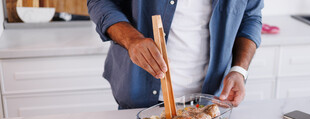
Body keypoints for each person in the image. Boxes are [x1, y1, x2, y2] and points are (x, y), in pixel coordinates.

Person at [87, 0, 263, 109]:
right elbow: (100, 2)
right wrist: (131, 39)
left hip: (211, 106)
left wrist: (239, 70)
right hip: (139, 102)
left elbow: (251, 16)